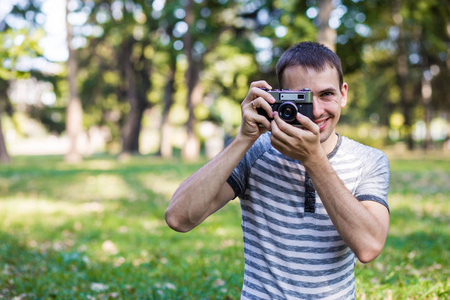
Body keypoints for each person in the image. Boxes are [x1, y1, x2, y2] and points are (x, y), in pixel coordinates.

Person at [165, 41, 390, 299]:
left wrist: (313, 160)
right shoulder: (255, 151)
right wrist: (243, 139)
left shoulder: (370, 160)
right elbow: (179, 219)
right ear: (278, 98)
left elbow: (369, 247)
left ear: (344, 94)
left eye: (326, 94)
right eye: (301, 98)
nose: (316, 111)